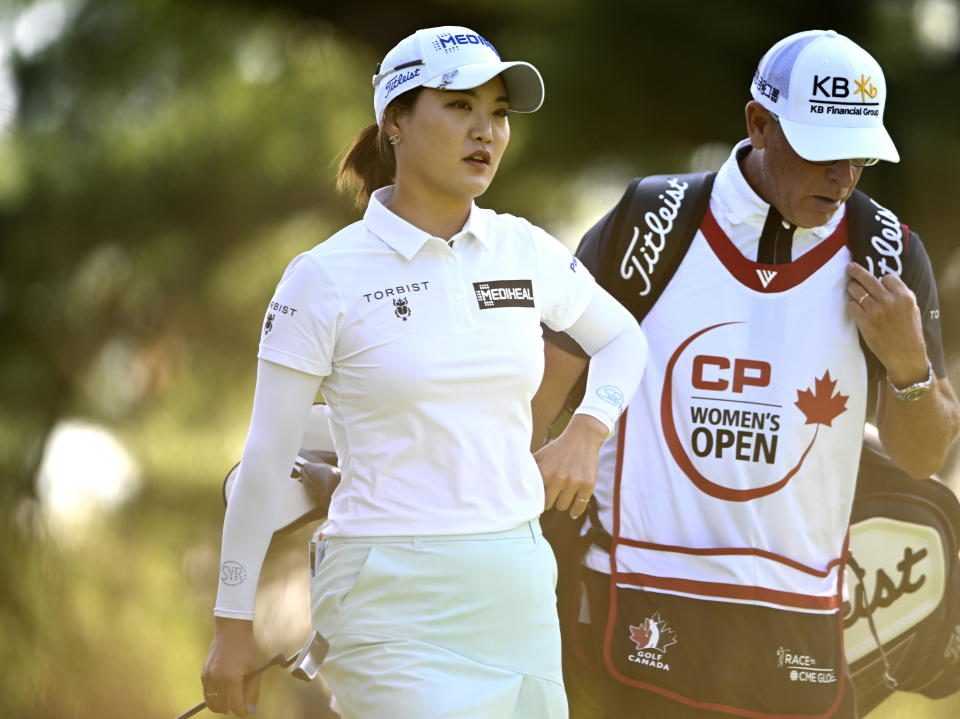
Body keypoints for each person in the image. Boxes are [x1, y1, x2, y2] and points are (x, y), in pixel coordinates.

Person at [199, 25, 649, 719]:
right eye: (460, 106)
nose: (487, 132)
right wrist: (233, 626)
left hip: (517, 583)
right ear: (396, 124)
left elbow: (622, 338)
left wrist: (590, 426)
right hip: (385, 590)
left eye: (497, 112)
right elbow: (265, 459)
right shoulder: (323, 277)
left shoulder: (521, 248)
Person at [532, 29, 960, 719]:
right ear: (758, 124)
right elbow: (533, 407)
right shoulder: (651, 220)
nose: (843, 176)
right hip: (629, 613)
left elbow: (922, 456)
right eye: (823, 151)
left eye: (860, 156)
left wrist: (909, 365)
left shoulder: (885, 251)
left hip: (798, 637)